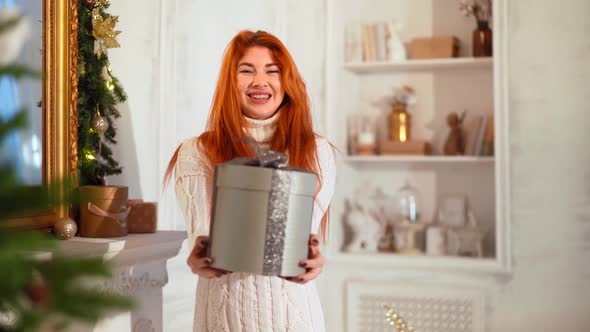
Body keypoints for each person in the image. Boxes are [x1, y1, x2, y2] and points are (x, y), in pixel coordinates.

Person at [164, 30, 336, 332]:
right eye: (246, 71)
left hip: (295, 321)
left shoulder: (316, 150)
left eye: (273, 71)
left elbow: (303, 238)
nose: (260, 81)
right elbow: (201, 235)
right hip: (225, 319)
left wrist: (314, 258)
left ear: (287, 83)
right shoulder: (198, 152)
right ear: (230, 82)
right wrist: (199, 258)